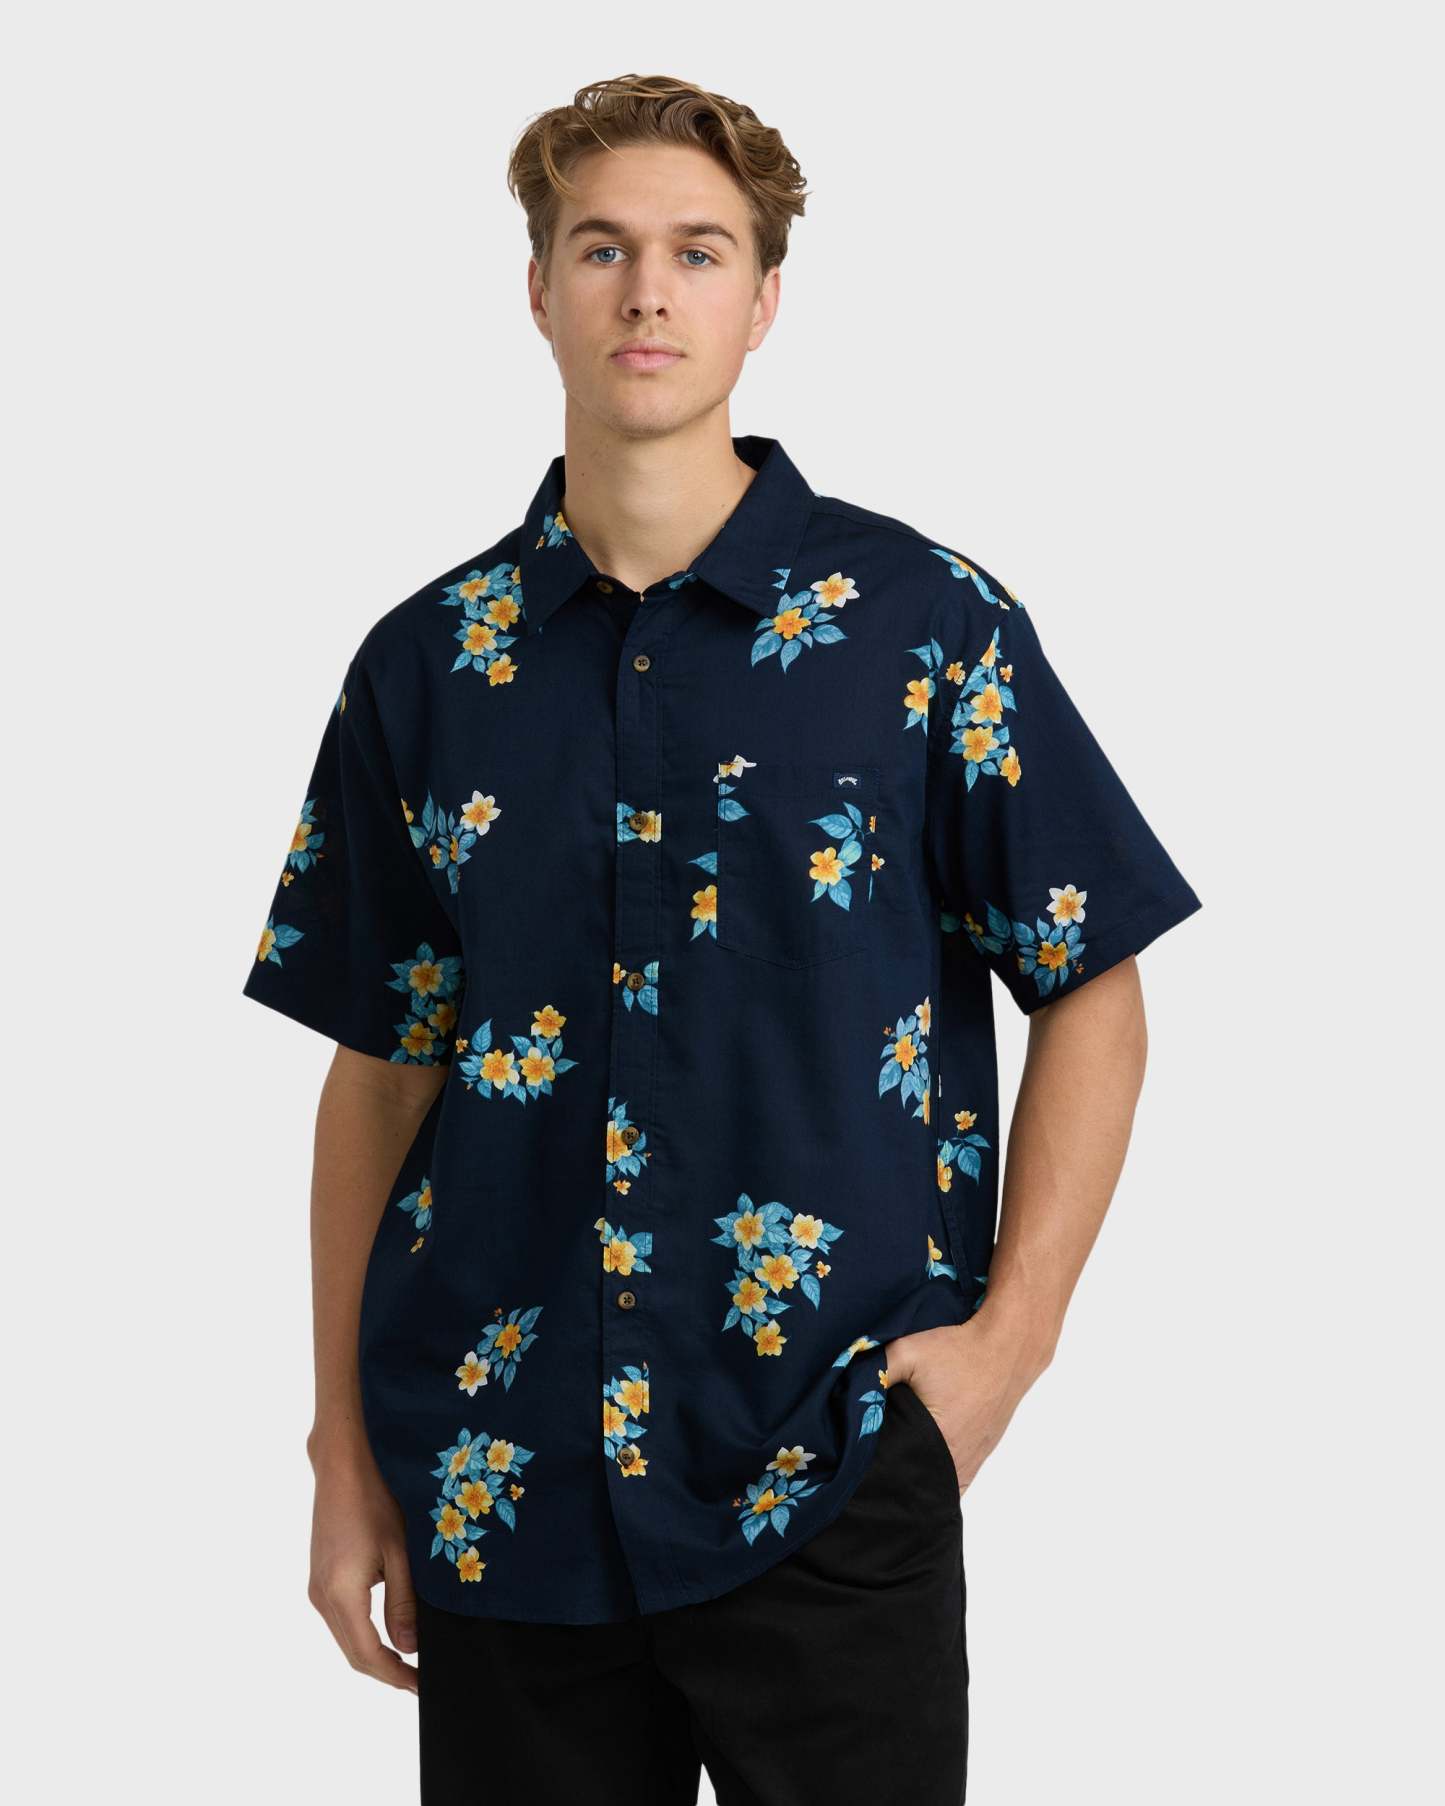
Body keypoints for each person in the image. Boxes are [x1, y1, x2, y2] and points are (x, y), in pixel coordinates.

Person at [241, 71, 1202, 1806]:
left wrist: (1008, 1347)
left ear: (763, 301)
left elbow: (1094, 983)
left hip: (826, 1462)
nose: (646, 291)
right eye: (600, 247)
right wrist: (343, 1450)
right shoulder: (427, 665)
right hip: (500, 1478)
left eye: (697, 251)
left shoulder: (920, 626)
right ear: (537, 287)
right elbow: (379, 1069)